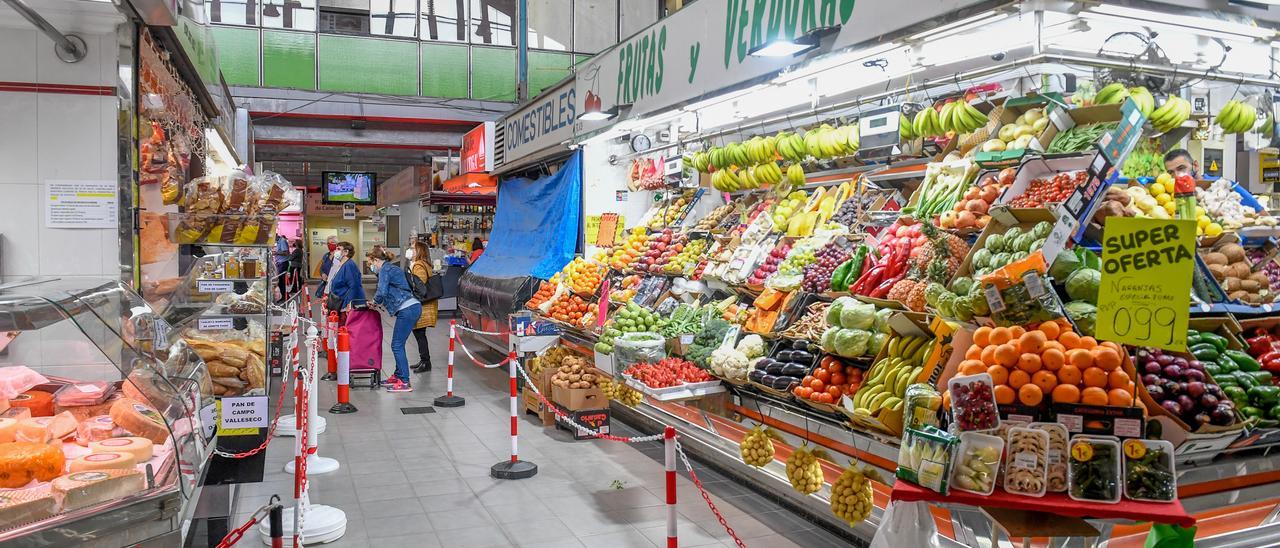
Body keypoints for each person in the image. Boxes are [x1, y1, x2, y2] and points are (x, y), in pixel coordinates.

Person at [367, 246, 420, 392]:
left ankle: (404, 381)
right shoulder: (390, 268)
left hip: (407, 308)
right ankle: (398, 375)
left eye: (370, 263)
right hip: (410, 307)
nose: (371, 267)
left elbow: (382, 291)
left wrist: (374, 302)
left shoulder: (385, 269)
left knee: (397, 345)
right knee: (398, 344)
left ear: (376, 260)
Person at [406, 240, 438, 373]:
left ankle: (426, 362)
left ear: (419, 251)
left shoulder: (418, 265)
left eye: (413, 248)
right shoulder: (422, 263)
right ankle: (424, 360)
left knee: (419, 333)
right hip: (426, 304)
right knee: (420, 333)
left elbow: (419, 285)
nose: (410, 250)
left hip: (423, 305)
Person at [326, 241, 366, 313]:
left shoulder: (349, 265)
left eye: (338, 249)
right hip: (338, 301)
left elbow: (354, 286)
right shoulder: (342, 265)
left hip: (346, 305)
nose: (335, 251)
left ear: (346, 252)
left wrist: (347, 305)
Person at [274, 234, 290, 302]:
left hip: (283, 263)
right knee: (280, 281)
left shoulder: (282, 241)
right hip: (280, 263)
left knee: (281, 281)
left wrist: (276, 253)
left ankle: (285, 297)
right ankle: (284, 296)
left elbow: (286, 253)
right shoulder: (278, 242)